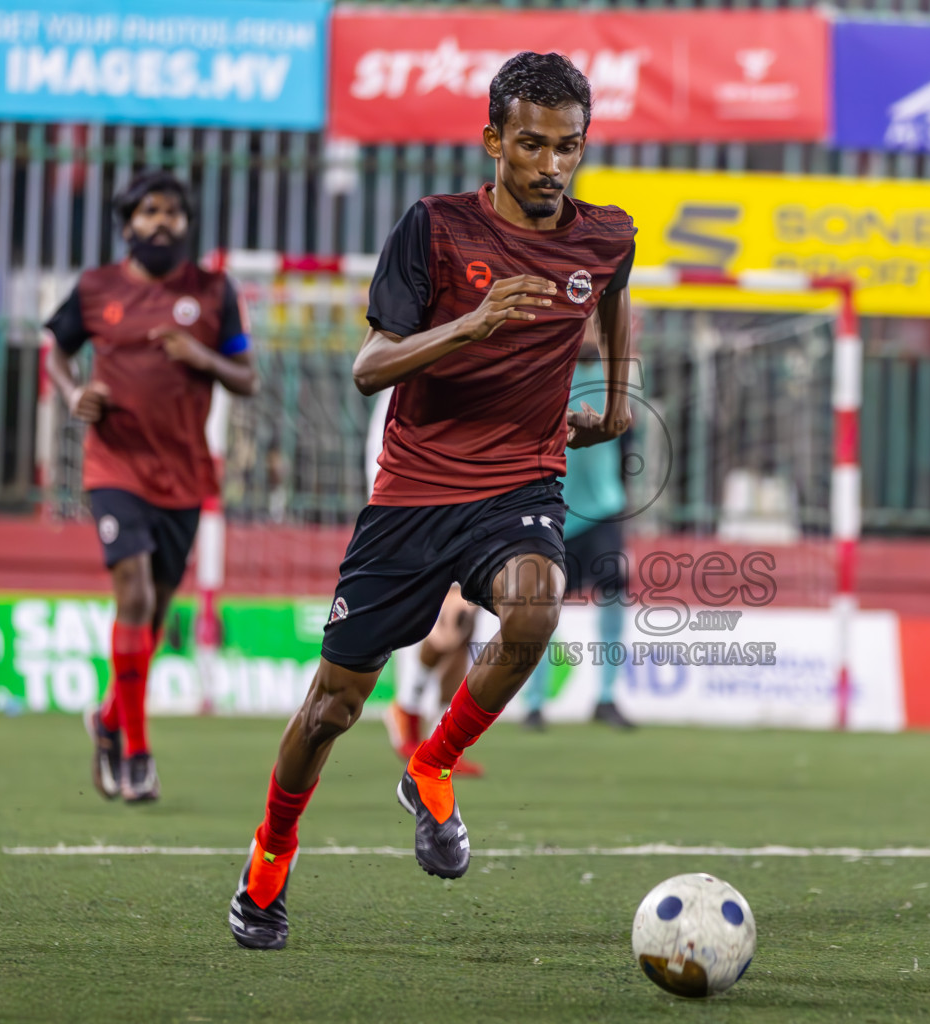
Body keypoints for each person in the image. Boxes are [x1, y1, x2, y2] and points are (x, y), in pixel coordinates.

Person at [227, 51, 636, 951]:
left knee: (535, 612)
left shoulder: (605, 234)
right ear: (494, 140)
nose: (551, 165)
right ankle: (269, 858)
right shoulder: (435, 229)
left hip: (521, 482)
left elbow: (612, 293)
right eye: (531, 145)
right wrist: (471, 324)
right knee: (331, 707)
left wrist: (614, 401)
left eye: (568, 147)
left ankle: (432, 762)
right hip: (412, 493)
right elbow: (368, 367)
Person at [43, 170, 259, 803]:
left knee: (157, 615)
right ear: (127, 223)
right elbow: (54, 349)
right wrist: (73, 392)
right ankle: (136, 753)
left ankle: (110, 717)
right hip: (114, 467)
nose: (162, 222)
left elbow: (246, 378)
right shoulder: (95, 289)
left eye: (173, 212)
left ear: (188, 224)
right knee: (132, 594)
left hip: (185, 475)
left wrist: (203, 359)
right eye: (149, 212)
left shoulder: (215, 292)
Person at [367, 386, 486, 777]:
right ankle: (410, 708)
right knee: (451, 616)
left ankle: (440, 742)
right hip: (416, 501)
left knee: (468, 622)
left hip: (468, 494)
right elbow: (386, 446)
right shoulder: (413, 365)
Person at [522, 327, 635, 731]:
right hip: (556, 509)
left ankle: (606, 697)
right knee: (540, 607)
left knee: (615, 592)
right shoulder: (544, 367)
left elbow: (629, 440)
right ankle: (533, 703)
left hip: (605, 507)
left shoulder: (619, 374)